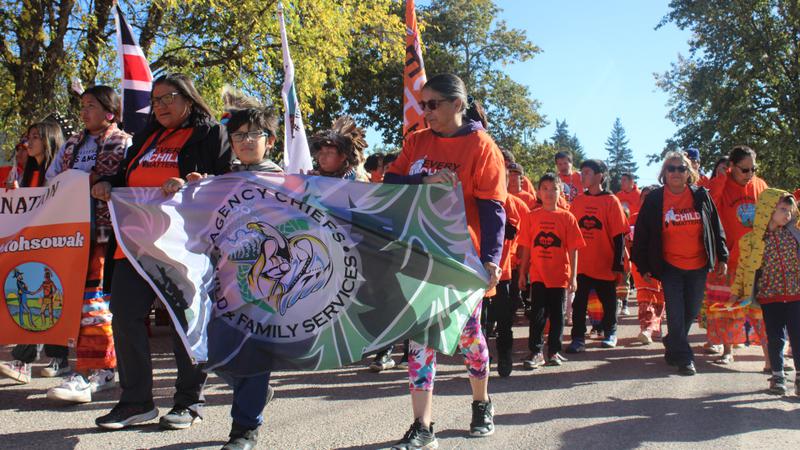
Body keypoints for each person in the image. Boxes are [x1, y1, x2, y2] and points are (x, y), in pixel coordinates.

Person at [91, 73, 231, 430]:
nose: (162, 105)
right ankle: (136, 402)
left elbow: (228, 184)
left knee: (186, 321)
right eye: (156, 100)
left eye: (169, 97)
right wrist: (108, 185)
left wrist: (192, 183)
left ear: (189, 98)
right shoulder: (145, 138)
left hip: (185, 246)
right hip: (134, 245)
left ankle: (188, 401)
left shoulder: (211, 134)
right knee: (124, 316)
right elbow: (126, 178)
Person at [384, 73, 506, 448]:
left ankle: (481, 402)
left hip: (461, 260)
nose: (426, 112)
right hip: (420, 257)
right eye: (423, 105)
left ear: (458, 104)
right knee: (421, 341)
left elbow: (492, 209)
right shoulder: (417, 142)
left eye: (433, 104)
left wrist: (490, 261)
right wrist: (422, 182)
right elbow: (389, 182)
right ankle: (423, 426)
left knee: (469, 338)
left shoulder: (481, 147)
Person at [42, 85, 130, 404]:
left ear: (110, 111)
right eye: (82, 105)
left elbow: (121, 179)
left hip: (106, 231)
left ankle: (98, 370)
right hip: (73, 231)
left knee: (95, 300)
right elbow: (54, 179)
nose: (84, 111)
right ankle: (94, 367)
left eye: (91, 105)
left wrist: (92, 181)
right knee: (81, 301)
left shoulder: (123, 141)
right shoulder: (73, 144)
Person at [214, 106, 281, 450]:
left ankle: (244, 428)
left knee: (253, 352)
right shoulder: (221, 179)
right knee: (204, 349)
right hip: (221, 279)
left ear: (269, 141)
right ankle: (256, 392)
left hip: (263, 284)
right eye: (237, 135)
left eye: (250, 135)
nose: (242, 142)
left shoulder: (285, 182)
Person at [632, 152, 728, 376]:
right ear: (664, 173)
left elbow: (716, 227)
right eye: (671, 168)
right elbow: (643, 235)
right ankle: (685, 359)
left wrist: (722, 256)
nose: (676, 172)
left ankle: (673, 342)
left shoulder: (701, 196)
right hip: (669, 266)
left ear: (689, 173)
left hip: (698, 264)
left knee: (691, 311)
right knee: (675, 312)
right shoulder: (655, 199)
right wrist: (643, 266)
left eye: (681, 169)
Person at [0, 121, 68, 385]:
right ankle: (30, 359)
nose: (29, 142)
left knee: (52, 299)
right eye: (28, 137)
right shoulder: (27, 172)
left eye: (36, 137)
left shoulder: (60, 172)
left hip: (58, 243)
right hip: (33, 244)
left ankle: (48, 359)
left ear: (50, 140)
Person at [729, 190, 800, 395]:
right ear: (768, 210)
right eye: (782, 210)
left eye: (790, 210)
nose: (787, 214)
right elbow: (743, 269)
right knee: (775, 337)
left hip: (796, 294)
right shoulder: (753, 241)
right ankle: (777, 376)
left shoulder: (795, 234)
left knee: (797, 336)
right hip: (770, 297)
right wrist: (736, 292)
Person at [704, 146, 768, 365]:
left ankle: (771, 359)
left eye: (753, 169)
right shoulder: (720, 185)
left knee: (762, 311)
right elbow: (709, 208)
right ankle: (727, 350)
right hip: (729, 260)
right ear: (731, 166)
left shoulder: (760, 185)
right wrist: (721, 180)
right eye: (744, 169)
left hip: (757, 261)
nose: (750, 174)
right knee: (727, 309)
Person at [518, 173, 585, 369]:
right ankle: (536, 351)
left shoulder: (567, 217)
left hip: (560, 276)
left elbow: (573, 249)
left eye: (554, 188)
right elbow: (527, 248)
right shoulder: (531, 217)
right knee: (537, 315)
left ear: (560, 192)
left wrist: (573, 276)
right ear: (538, 192)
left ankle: (554, 351)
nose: (549, 193)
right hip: (538, 275)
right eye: (545, 188)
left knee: (557, 315)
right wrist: (522, 273)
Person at [566, 159, 629, 352]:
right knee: (579, 304)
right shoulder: (577, 202)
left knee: (608, 302)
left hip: (604, 263)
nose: (582, 176)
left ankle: (610, 333)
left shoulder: (611, 201)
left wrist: (618, 265)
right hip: (582, 264)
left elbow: (619, 236)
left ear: (599, 176)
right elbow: (571, 234)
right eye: (582, 172)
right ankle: (578, 338)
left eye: (586, 172)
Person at [491, 165, 529, 377]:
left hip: (504, 273)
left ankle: (504, 357)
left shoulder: (517, 206)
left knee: (504, 321)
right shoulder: (479, 201)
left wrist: (522, 264)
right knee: (482, 322)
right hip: (478, 274)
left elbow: (528, 238)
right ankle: (482, 359)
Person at [630, 186, 666, 344]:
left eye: (650, 196)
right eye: (644, 197)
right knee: (645, 298)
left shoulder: (667, 216)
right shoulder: (633, 218)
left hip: (662, 266)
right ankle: (646, 328)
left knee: (660, 300)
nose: (647, 200)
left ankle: (654, 328)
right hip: (641, 267)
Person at [309, 116, 369, 181]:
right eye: (321, 152)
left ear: (343, 156)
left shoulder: (358, 182)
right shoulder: (313, 177)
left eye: (330, 153)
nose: (323, 157)